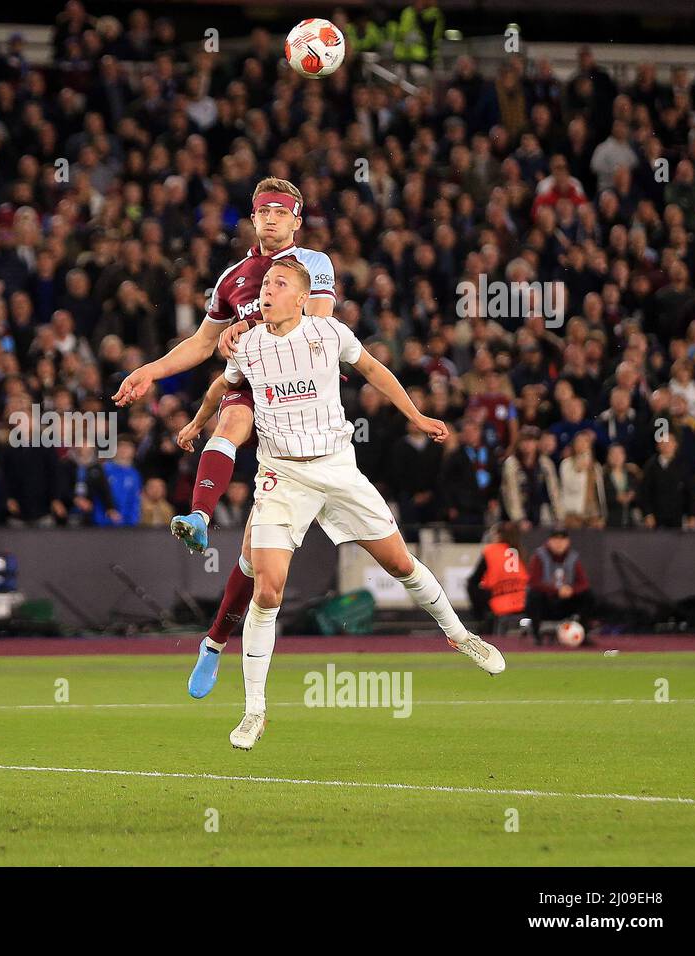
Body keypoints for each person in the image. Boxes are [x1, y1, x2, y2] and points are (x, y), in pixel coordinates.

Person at [209, 258, 505, 750]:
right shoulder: (248, 344)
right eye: (264, 283)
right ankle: (254, 711)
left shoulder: (328, 334)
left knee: (400, 562)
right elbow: (225, 388)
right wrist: (201, 424)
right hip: (281, 474)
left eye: (279, 284)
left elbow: (373, 369)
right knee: (268, 592)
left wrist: (415, 414)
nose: (266, 290)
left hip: (337, 468)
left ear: (302, 298)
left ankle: (460, 634)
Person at [113, 178, 337, 696]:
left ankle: (213, 643)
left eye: (284, 211)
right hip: (255, 384)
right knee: (230, 423)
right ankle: (198, 514)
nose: (274, 218)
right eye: (265, 211)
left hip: (304, 402)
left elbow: (317, 324)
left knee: (255, 561)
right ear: (253, 219)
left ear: (297, 221)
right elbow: (201, 343)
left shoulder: (313, 266)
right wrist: (151, 370)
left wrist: (252, 329)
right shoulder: (232, 279)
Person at [525, 527, 594, 642]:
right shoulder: (539, 556)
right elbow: (533, 582)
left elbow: (584, 583)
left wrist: (571, 590)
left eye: (562, 540)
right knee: (534, 595)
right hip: (546, 603)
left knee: (588, 595)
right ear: (549, 541)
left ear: (568, 542)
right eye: (555, 540)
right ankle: (536, 635)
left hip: (565, 602)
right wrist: (556, 591)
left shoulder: (573, 557)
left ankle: (583, 634)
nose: (559, 544)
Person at [467, 522, 530, 632]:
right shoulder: (522, 551)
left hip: (499, 599)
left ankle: (481, 620)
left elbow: (475, 579)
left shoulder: (491, 551)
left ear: (499, 535)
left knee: (471, 585)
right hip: (523, 600)